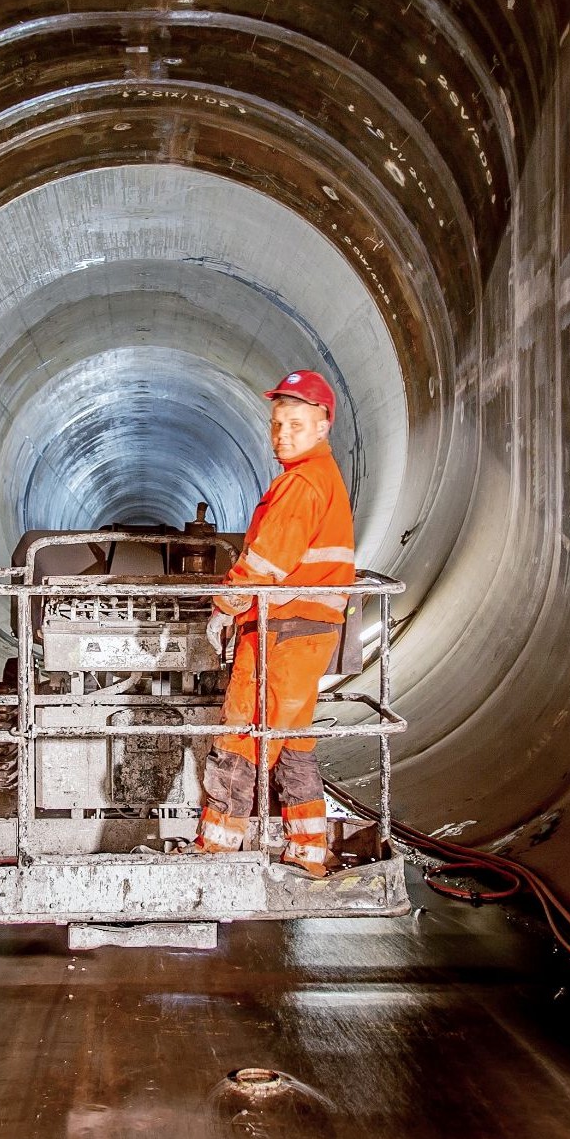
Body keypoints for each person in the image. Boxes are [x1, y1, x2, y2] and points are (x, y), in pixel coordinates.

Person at [195, 370, 356, 875]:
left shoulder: (302, 484)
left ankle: (218, 850)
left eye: (295, 423)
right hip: (307, 629)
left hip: (283, 628)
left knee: (244, 735)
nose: (282, 433)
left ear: (323, 425)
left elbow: (265, 563)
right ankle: (308, 851)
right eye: (276, 424)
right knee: (292, 740)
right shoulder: (318, 478)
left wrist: (224, 607)